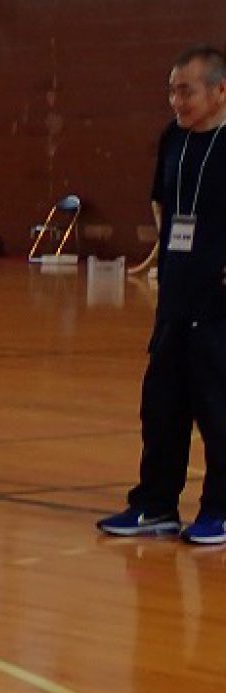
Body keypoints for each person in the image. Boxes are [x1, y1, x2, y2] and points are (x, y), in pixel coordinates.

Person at [98, 45, 226, 545]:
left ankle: (219, 509)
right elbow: (162, 202)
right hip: (176, 300)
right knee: (162, 408)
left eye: (186, 91)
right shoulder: (172, 138)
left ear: (219, 91)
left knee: (218, 411)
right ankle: (155, 506)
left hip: (219, 308)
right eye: (172, 90)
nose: (177, 101)